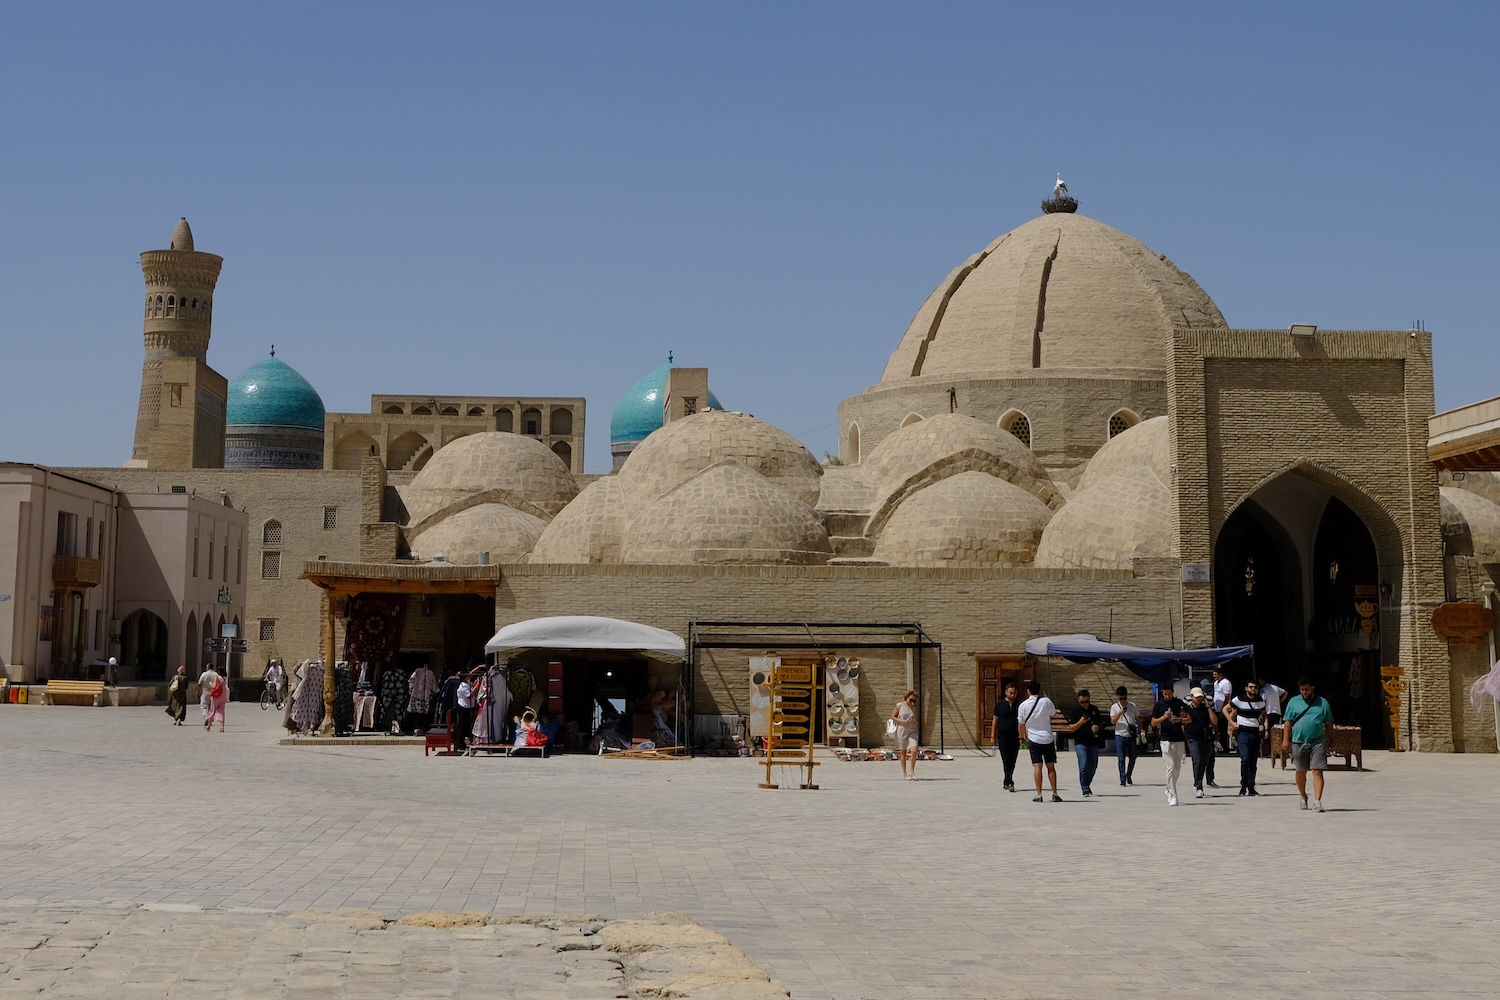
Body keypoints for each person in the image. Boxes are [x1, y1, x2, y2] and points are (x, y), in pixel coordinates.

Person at [1282, 677, 1335, 812]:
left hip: (1317, 741)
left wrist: (1332, 740)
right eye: (1302, 690)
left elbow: (1328, 723)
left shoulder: (1323, 703)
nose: (1304, 692)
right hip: (1298, 741)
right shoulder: (1294, 702)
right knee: (1301, 771)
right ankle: (1303, 795)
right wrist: (1285, 740)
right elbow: (1287, 722)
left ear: (1313, 688)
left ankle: (1317, 801)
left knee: (1317, 771)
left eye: (1306, 689)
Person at [1017, 680, 1061, 802]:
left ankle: (1039, 794)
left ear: (1028, 691)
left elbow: (1020, 724)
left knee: (1037, 766)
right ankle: (1055, 793)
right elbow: (1053, 713)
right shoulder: (1046, 701)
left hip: (1033, 738)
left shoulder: (1023, 705)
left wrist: (1022, 736)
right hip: (1047, 737)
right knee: (1051, 766)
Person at [1225, 679, 1268, 795]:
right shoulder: (1239, 699)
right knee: (1245, 759)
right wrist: (1232, 723)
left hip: (1255, 733)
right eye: (1251, 687)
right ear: (1246, 688)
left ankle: (1251, 786)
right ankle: (1243, 785)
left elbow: (1264, 714)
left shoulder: (1260, 701)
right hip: (1243, 732)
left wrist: (1263, 726)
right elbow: (1225, 709)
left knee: (1253, 761)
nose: (1253, 689)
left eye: (1255, 687)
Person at [1064, 689, 1107, 797]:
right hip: (1080, 742)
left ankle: (1087, 784)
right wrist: (1081, 722)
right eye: (1082, 702)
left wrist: (1097, 727)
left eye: (1086, 701)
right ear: (1078, 701)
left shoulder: (1094, 709)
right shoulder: (1075, 711)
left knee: (1093, 765)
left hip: (1093, 741)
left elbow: (1099, 723)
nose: (1085, 704)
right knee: (1083, 764)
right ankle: (1084, 788)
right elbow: (1071, 729)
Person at [1151, 686, 1189, 806]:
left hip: (1178, 738)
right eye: (1165, 694)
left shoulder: (1179, 703)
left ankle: (1169, 788)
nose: (1167, 696)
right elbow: (1153, 722)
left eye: (1169, 694)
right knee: (1170, 767)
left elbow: (1188, 718)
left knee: (1177, 769)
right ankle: (1173, 796)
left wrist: (1179, 720)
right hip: (1165, 739)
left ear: (1173, 692)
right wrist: (1163, 717)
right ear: (1162, 693)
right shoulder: (1158, 705)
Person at [1183, 687, 1219, 798]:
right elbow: (1183, 723)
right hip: (1193, 738)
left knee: (1203, 762)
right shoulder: (1187, 709)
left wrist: (1208, 707)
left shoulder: (1205, 708)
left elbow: (1214, 721)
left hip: (1206, 738)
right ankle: (1198, 786)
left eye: (1200, 697)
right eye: (1197, 697)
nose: (1199, 699)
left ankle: (1198, 782)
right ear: (1192, 697)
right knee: (1197, 761)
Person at [991, 681, 1021, 792]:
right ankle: (1008, 781)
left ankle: (1008, 779)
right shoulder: (1000, 705)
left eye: (1014, 693)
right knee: (1006, 759)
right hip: (1003, 737)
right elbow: (995, 721)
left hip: (1014, 737)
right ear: (1006, 692)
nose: (1012, 695)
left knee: (1013, 760)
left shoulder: (1019, 705)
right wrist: (993, 736)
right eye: (1010, 693)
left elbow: (1022, 722)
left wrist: (1023, 736)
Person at [1110, 686, 1139, 786]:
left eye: (1124, 698)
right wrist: (1119, 714)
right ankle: (1122, 779)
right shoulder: (1114, 707)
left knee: (1133, 757)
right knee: (1121, 759)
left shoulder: (1132, 706)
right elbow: (1113, 721)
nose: (1123, 701)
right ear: (1117, 697)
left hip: (1130, 735)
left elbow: (1138, 718)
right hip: (1120, 735)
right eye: (1121, 698)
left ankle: (1128, 774)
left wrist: (1142, 729)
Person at [891, 690, 920, 780]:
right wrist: (902, 721)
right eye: (911, 700)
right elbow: (893, 717)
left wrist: (914, 719)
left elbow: (916, 722)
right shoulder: (899, 705)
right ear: (906, 697)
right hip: (902, 730)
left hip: (912, 730)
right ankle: (905, 773)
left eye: (914, 701)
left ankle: (912, 771)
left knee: (914, 750)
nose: (912, 702)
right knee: (903, 752)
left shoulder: (913, 708)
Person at [199, 662, 226, 733]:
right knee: (221, 710)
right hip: (223, 696)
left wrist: (210, 683)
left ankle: (208, 723)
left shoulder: (216, 677)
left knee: (212, 710)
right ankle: (222, 727)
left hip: (215, 696)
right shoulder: (223, 678)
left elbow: (213, 686)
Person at [1212, 667, 1234, 752]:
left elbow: (1227, 697)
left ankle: (1225, 747)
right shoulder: (1216, 683)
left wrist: (1223, 710)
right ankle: (1219, 745)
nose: (1214, 677)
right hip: (1216, 708)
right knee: (1218, 728)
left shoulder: (1226, 683)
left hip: (1223, 709)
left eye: (1216, 675)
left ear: (1220, 674)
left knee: (1223, 728)